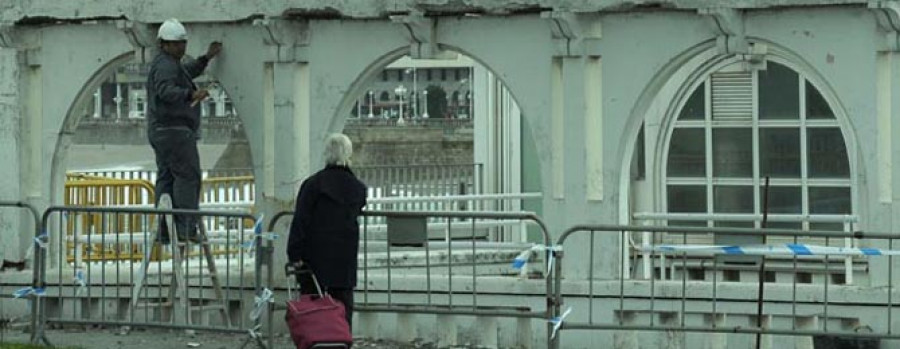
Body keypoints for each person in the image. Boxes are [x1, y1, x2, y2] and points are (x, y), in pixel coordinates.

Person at [146, 18, 222, 243]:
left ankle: (164, 229)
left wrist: (205, 59)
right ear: (164, 44)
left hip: (161, 131)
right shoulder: (166, 65)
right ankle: (185, 228)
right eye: (177, 43)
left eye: (183, 43)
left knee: (167, 178)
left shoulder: (168, 64)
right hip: (175, 131)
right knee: (188, 176)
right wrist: (190, 95)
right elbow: (166, 90)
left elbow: (184, 73)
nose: (182, 47)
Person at [287, 133, 367, 330]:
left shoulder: (313, 184)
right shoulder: (357, 188)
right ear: (348, 155)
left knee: (313, 307)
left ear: (326, 155)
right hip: (344, 259)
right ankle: (340, 339)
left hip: (314, 259)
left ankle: (316, 340)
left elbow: (301, 221)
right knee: (342, 307)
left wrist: (294, 254)